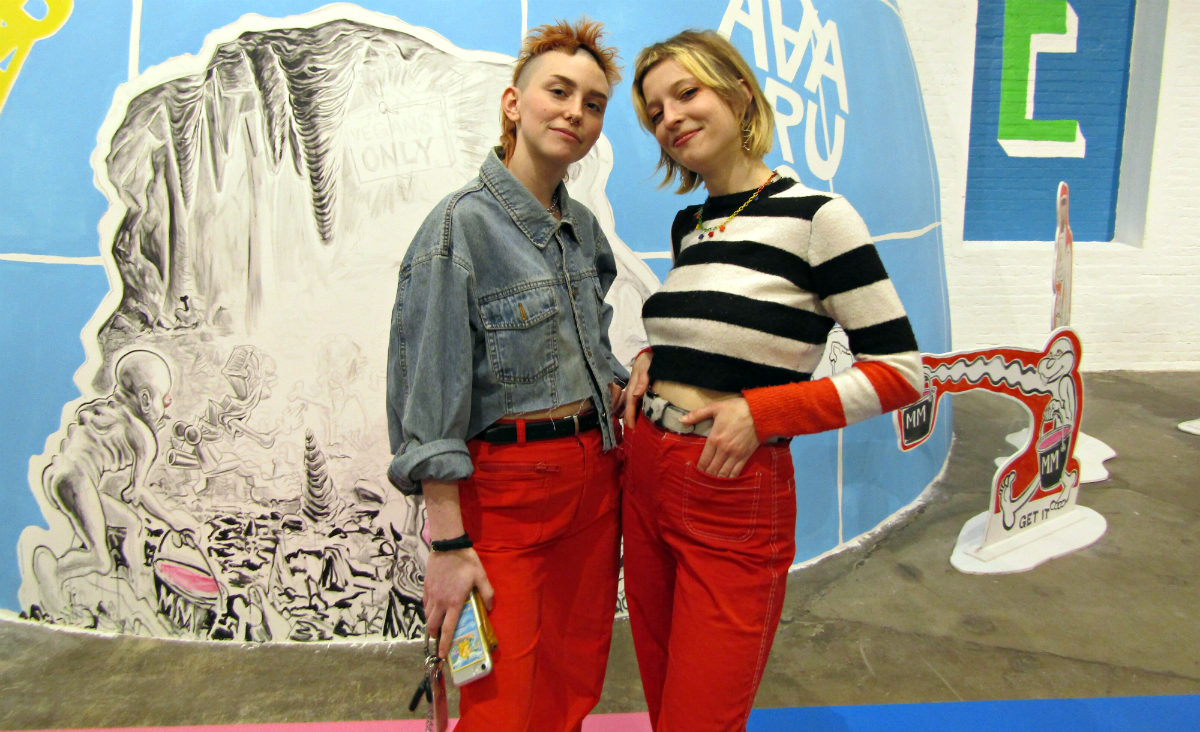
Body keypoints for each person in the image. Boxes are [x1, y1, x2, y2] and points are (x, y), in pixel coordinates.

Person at [622, 30, 924, 731]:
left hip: (733, 486)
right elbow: (715, 332)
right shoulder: (690, 225)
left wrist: (767, 411)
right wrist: (653, 358)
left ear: (738, 92)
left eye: (686, 92)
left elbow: (903, 373)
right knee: (663, 699)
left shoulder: (819, 217)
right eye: (655, 112)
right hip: (645, 475)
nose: (670, 118)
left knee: (701, 716)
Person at [385, 19, 625, 732]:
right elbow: (427, 406)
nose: (575, 113)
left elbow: (591, 340)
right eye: (558, 91)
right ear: (513, 104)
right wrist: (450, 545)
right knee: (498, 697)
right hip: (506, 498)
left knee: (575, 677)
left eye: (593, 102)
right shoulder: (459, 229)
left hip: (594, 482)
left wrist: (623, 375)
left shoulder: (581, 225)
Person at [32, 349, 196, 620]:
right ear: (145, 399)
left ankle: (136, 585)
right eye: (164, 399)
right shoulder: (144, 437)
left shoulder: (109, 410)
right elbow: (135, 492)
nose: (167, 406)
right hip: (77, 479)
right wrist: (172, 520)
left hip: (60, 475)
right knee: (100, 558)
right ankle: (53, 569)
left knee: (132, 524)